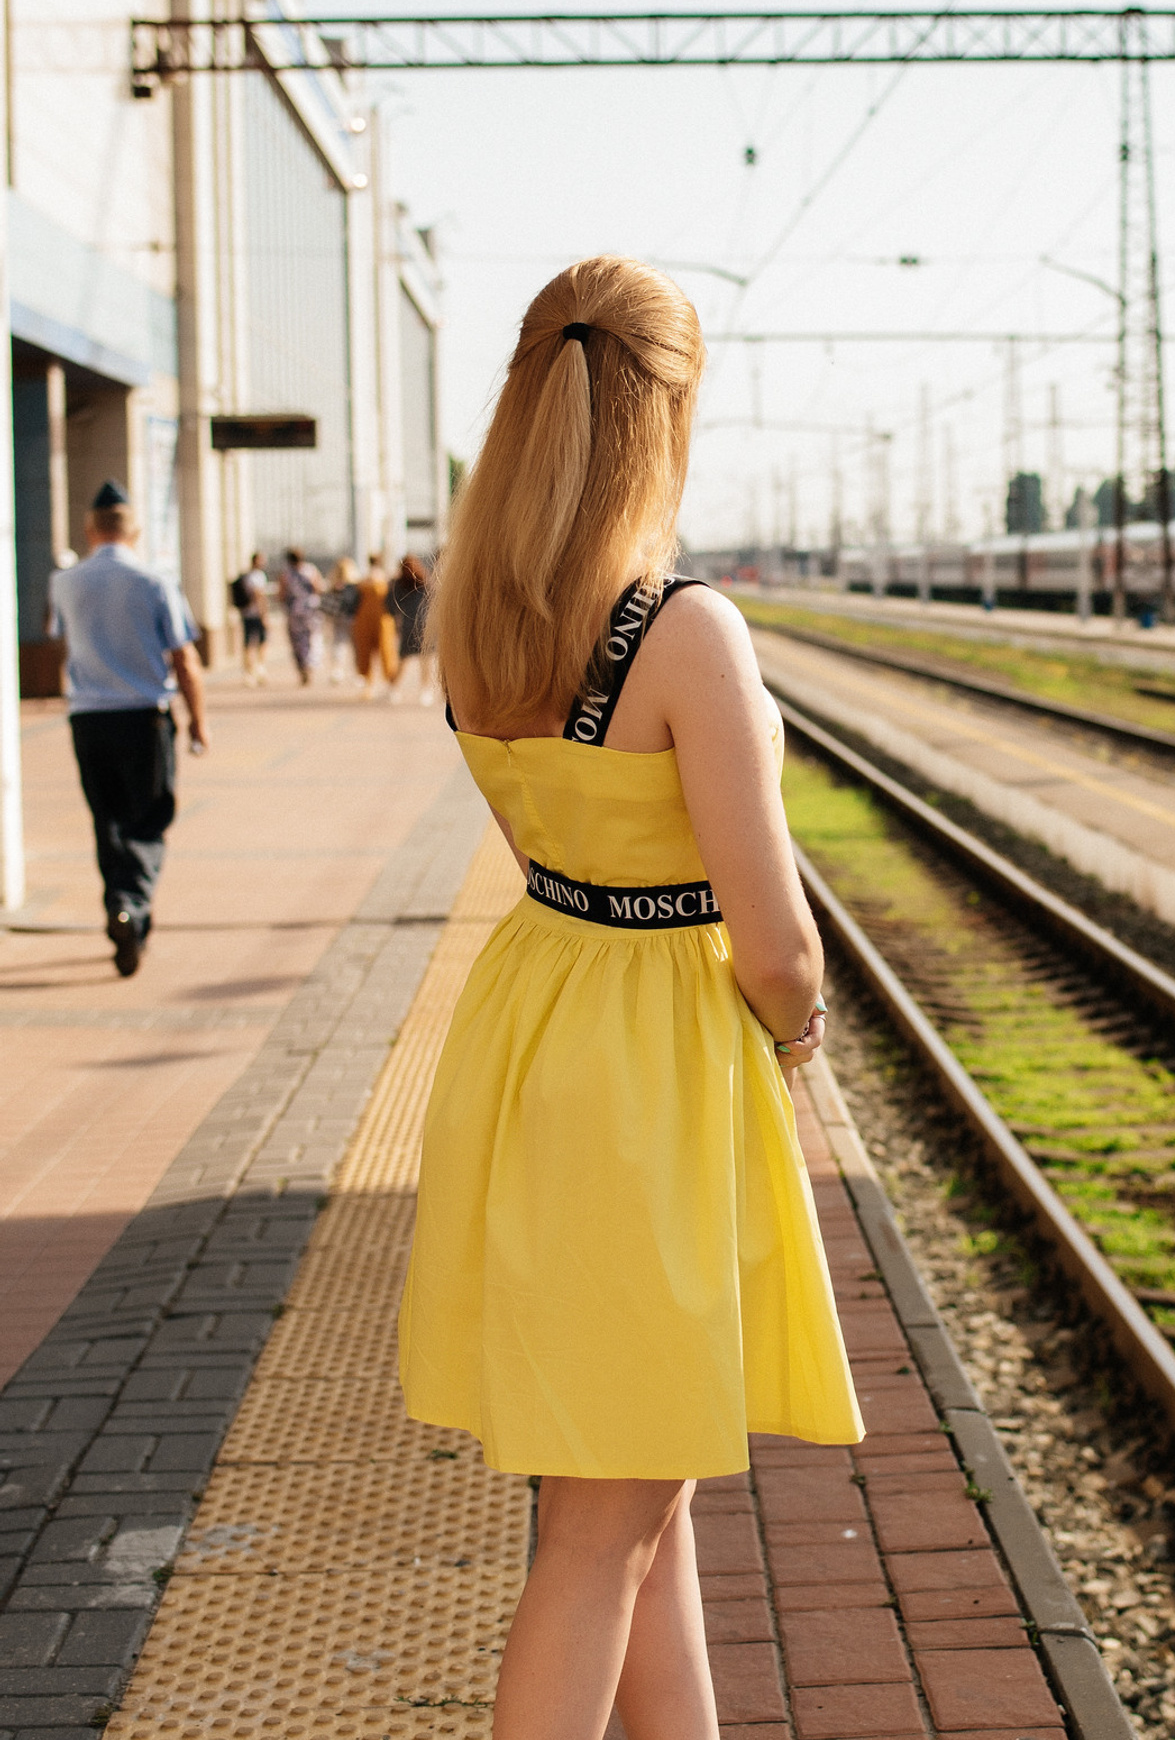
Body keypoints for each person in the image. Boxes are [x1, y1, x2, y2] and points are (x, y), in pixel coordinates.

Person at [398, 258, 858, 1740]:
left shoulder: (478, 619)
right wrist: (799, 1030)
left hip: (535, 1024)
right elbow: (775, 942)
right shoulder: (683, 632)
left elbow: (547, 846)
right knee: (602, 1534)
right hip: (651, 1074)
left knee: (637, 1498)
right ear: (664, 415)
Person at [49, 481, 210, 977]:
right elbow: (184, 659)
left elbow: (62, 645)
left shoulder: (64, 583)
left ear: (89, 530)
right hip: (143, 717)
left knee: (108, 819)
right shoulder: (155, 581)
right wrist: (198, 722)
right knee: (148, 817)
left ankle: (124, 914)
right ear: (135, 531)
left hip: (87, 719)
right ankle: (129, 907)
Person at [385, 553, 436, 705]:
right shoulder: (425, 581)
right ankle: (425, 691)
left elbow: (389, 605)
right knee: (425, 661)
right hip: (424, 625)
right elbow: (435, 601)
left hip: (407, 625)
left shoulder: (398, 584)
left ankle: (393, 689)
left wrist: (396, 618)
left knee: (403, 659)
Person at [352, 551, 398, 695]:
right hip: (382, 619)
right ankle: (389, 685)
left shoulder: (364, 579)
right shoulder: (385, 578)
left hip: (364, 618)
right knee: (386, 650)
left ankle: (369, 684)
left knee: (366, 650)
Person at [278, 549, 325, 685]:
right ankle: (310, 663)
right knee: (312, 638)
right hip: (310, 611)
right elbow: (318, 588)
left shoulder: (285, 574)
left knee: (296, 641)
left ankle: (302, 665)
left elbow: (281, 595)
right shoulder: (311, 570)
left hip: (293, 612)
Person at [230, 551, 269, 685]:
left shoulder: (246, 576)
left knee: (248, 643)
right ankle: (259, 669)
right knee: (261, 642)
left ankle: (249, 671)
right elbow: (259, 597)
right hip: (256, 615)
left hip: (246, 614)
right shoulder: (258, 577)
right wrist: (264, 615)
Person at [320, 557, 360, 683]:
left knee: (338, 644)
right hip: (352, 618)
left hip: (338, 617)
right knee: (355, 646)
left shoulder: (334, 583)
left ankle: (337, 671)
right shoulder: (355, 584)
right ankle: (358, 673)